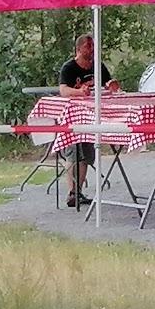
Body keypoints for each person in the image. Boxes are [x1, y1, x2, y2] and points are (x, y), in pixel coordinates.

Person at [58, 33, 120, 208]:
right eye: (88, 46)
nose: (91, 50)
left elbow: (109, 83)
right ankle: (72, 192)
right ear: (79, 49)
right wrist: (79, 92)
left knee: (86, 151)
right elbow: (63, 90)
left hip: (93, 114)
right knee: (73, 151)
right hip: (74, 114)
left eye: (93, 46)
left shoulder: (98, 66)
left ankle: (77, 192)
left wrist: (112, 85)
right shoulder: (69, 68)